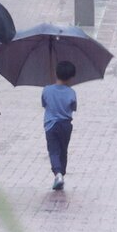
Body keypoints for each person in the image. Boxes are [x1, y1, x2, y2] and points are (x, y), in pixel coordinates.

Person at [41, 59, 78, 191]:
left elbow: (44, 104)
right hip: (66, 125)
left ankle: (58, 174)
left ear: (56, 74)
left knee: (53, 151)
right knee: (63, 150)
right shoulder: (71, 92)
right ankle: (62, 173)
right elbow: (73, 107)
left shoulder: (47, 90)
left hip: (51, 125)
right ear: (70, 78)